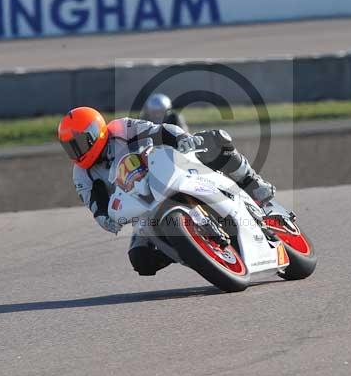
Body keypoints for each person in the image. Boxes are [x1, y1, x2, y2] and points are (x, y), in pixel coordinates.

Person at [58, 106, 275, 276]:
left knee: (215, 140)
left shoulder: (122, 129)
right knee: (140, 259)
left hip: (166, 172)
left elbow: (159, 130)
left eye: (77, 144)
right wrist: (106, 219)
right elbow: (95, 204)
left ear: (93, 134)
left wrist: (182, 139)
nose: (75, 153)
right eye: (69, 147)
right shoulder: (81, 174)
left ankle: (253, 183)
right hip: (143, 207)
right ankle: (191, 248)